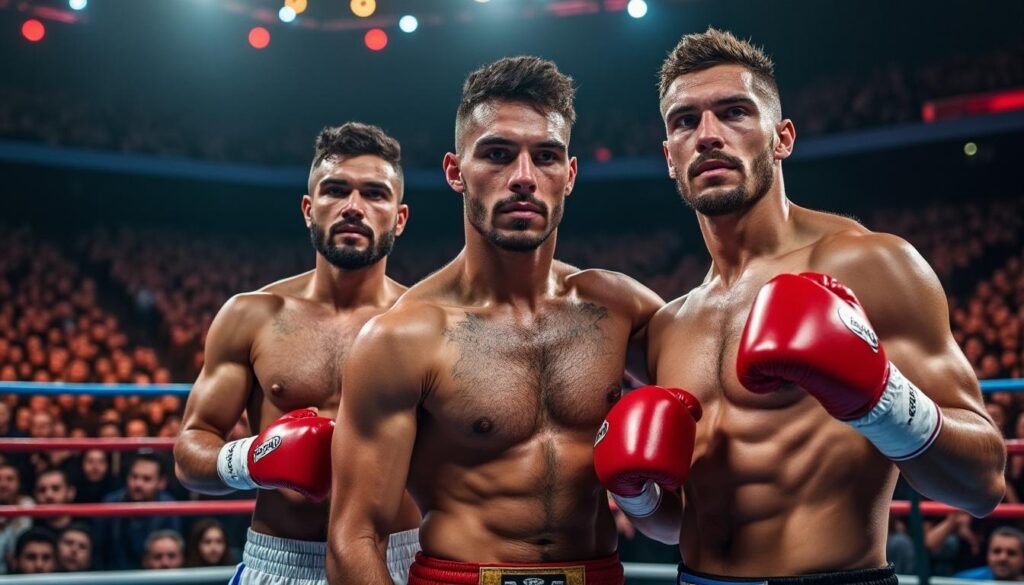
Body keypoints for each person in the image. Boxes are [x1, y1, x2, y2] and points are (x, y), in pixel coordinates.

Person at [593, 27, 1005, 584]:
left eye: (734, 112)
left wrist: (879, 397)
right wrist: (638, 497)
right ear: (669, 156)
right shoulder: (671, 324)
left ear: (782, 137)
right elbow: (679, 527)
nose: (708, 135)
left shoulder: (869, 265)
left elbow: (983, 483)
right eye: (685, 121)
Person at [328, 56, 663, 585]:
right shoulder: (404, 337)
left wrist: (644, 499)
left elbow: (714, 460)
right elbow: (354, 539)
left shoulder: (621, 309)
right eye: (498, 154)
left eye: (546, 156)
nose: (524, 178)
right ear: (455, 172)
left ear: (570, 175)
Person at [174, 123, 421, 585]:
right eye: (335, 190)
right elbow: (190, 451)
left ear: (399, 217)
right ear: (309, 209)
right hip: (279, 562)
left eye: (374, 194)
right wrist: (252, 459)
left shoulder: (427, 324)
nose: (353, 207)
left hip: (396, 558)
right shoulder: (251, 316)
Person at [94, 453, 181, 569]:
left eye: (146, 479)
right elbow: (99, 549)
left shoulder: (169, 508)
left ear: (161, 482)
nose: (138, 484)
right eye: (134, 477)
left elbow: (172, 554)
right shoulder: (111, 503)